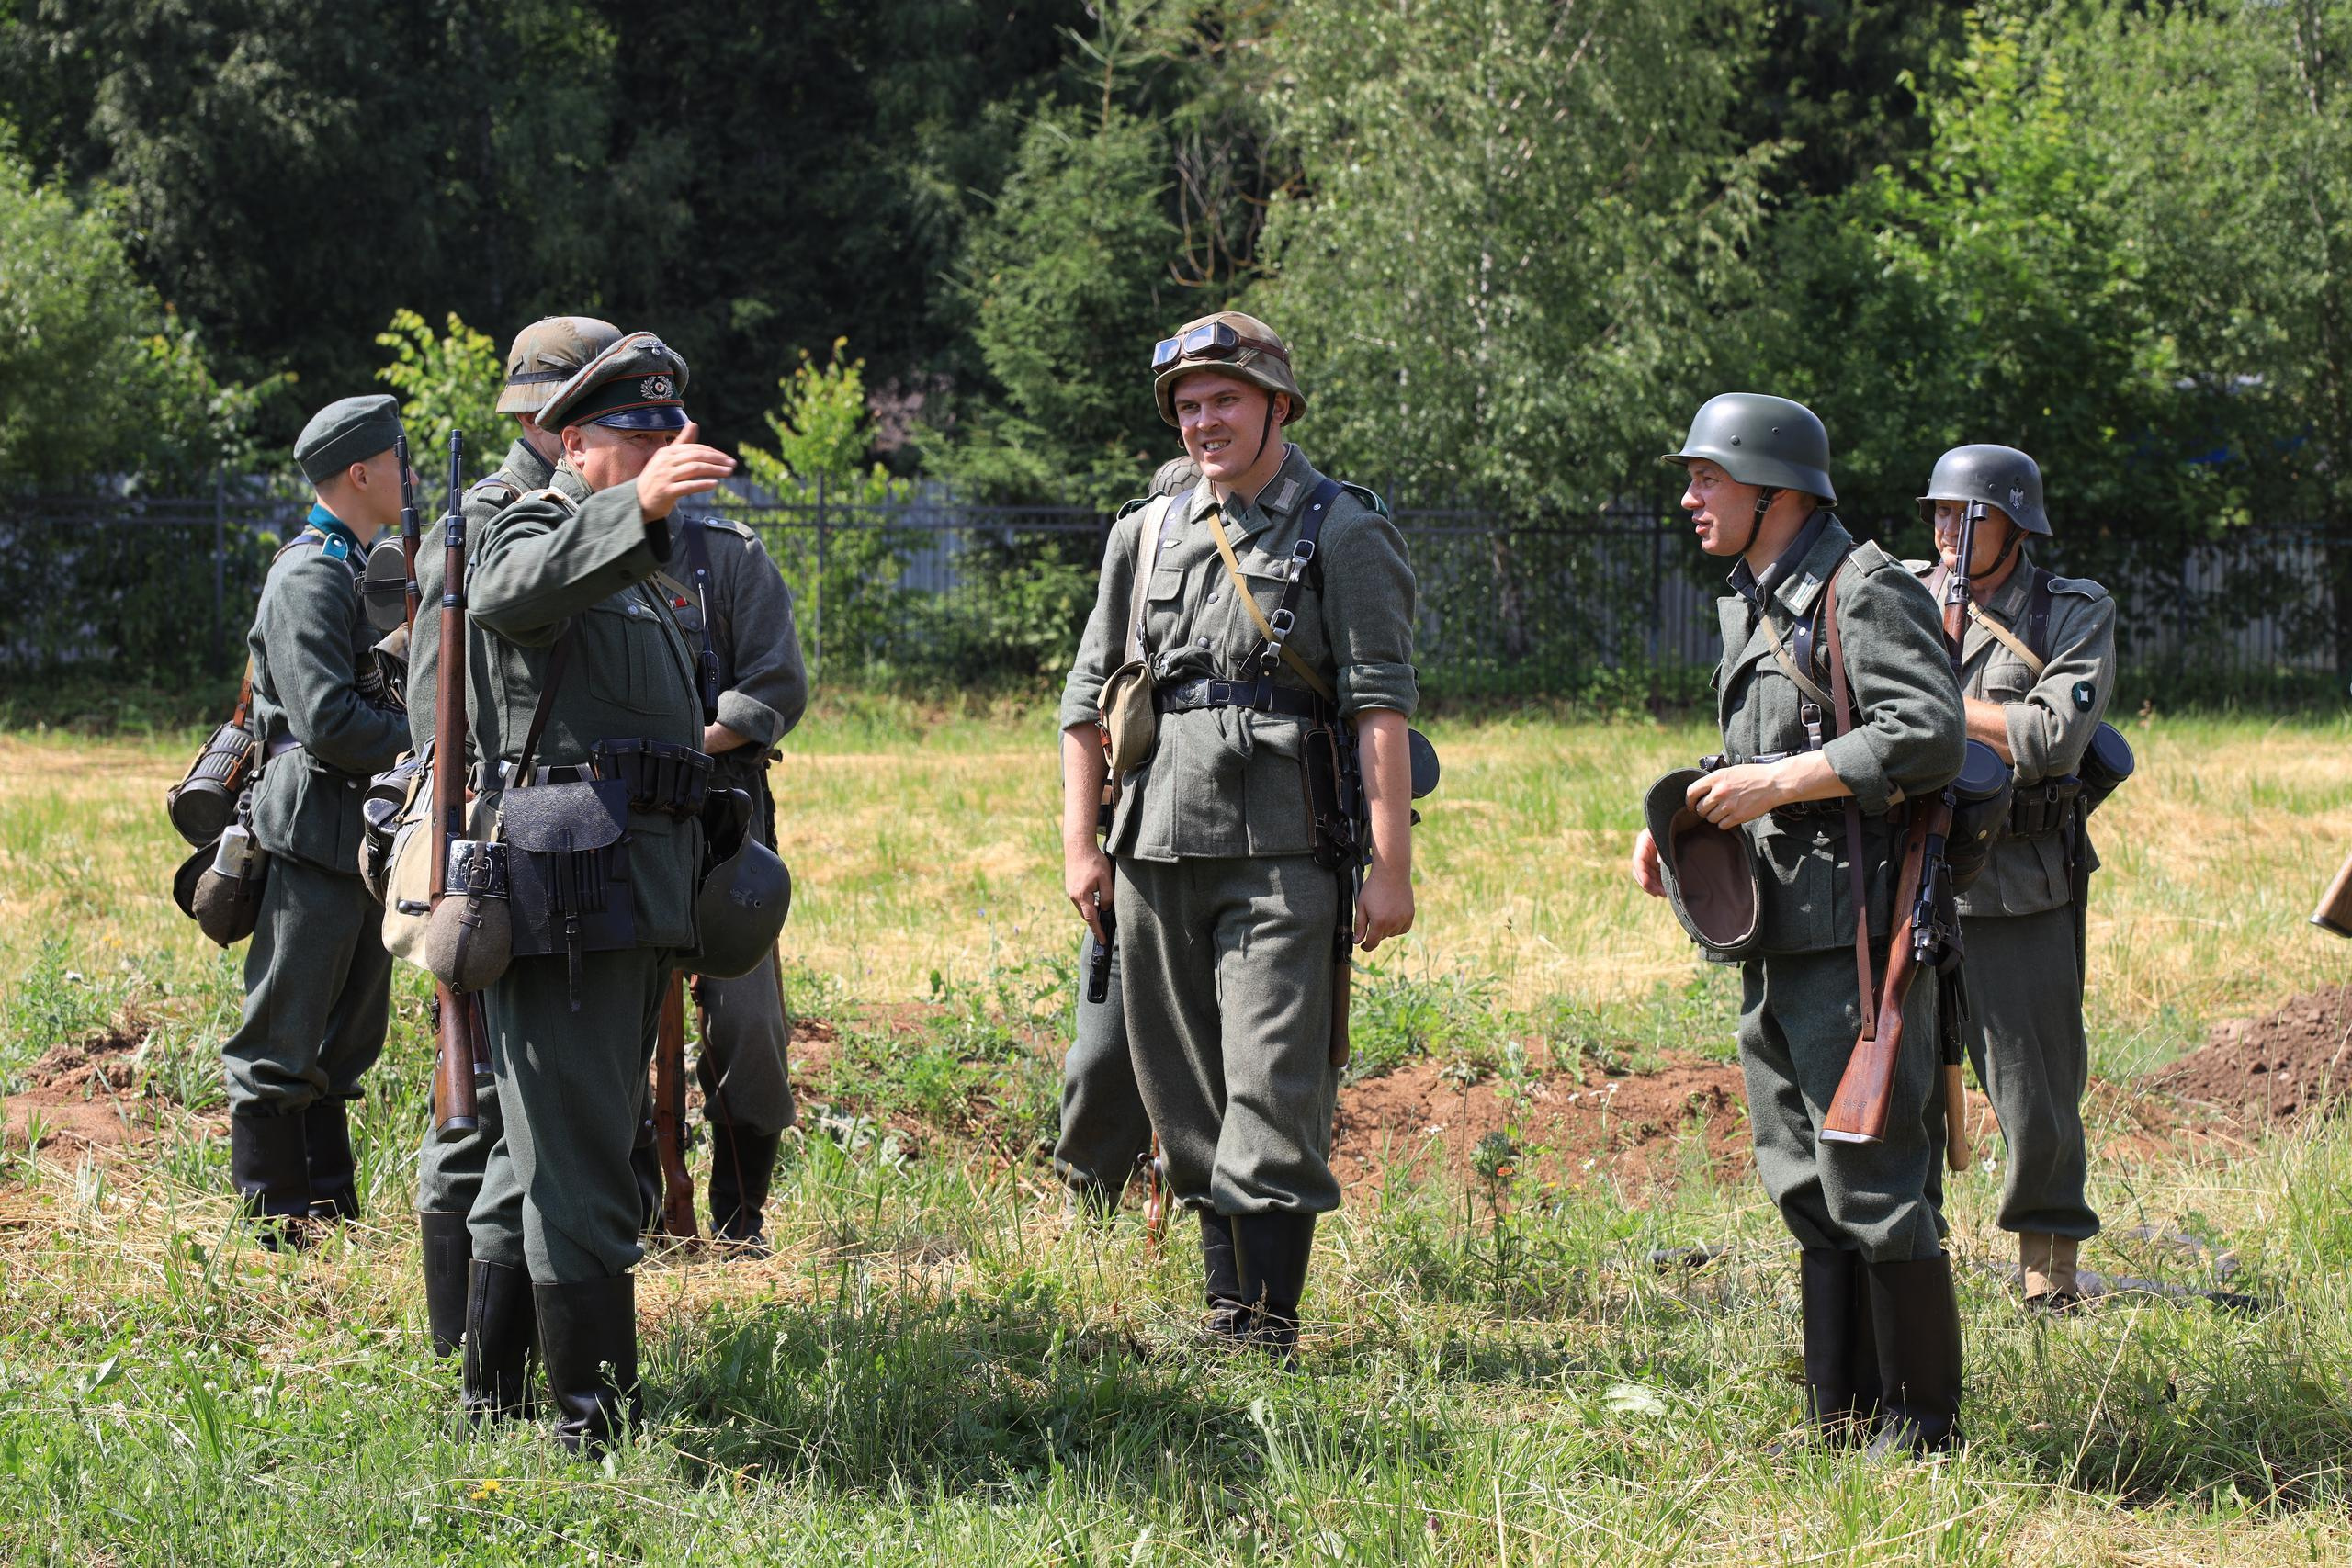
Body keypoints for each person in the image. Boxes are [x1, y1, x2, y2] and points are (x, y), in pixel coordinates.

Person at [1057, 313, 1419, 1354]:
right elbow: (1087, 698)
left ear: (1276, 406)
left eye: (1225, 399)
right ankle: (1227, 1311)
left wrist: (1390, 867)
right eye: (1188, 405)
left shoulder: (1342, 529)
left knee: (1271, 1079)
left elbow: (1380, 708)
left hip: (1283, 851)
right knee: (1182, 1088)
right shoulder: (1145, 532)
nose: (1204, 420)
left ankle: (1266, 1325)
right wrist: (1081, 844)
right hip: (1152, 844)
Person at [1631, 393, 1967, 1454]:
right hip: (1777, 929)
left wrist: (1778, 782)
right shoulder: (1757, 598)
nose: (1690, 500)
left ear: (1772, 491)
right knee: (1804, 1181)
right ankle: (1841, 1420)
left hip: (1859, 939)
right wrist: (1686, 818)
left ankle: (1921, 1427)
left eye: (1707, 479)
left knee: (1874, 1178)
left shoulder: (1861, 589)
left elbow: (1930, 734)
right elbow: (1773, 739)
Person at [456, 332, 733, 1451]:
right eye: (634, 431)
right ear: (572, 444)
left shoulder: (641, 563)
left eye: (670, 429)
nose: (661, 447)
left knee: (538, 1153)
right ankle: (591, 1428)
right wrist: (633, 510)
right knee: (583, 1167)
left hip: (632, 887)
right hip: (568, 889)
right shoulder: (527, 524)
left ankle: (493, 1403)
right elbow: (503, 593)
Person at [411, 316, 622, 1356]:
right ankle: (465, 1348)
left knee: (525, 1111)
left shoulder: (577, 515)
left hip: (564, 838)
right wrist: (444, 833)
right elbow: (435, 697)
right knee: (484, 1096)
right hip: (494, 838)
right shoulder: (493, 519)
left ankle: (497, 1364)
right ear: (556, 419)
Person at [1913, 444, 2116, 1309]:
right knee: (1899, 1077)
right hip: (1907, 868)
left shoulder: (2069, 610)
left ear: (2017, 526)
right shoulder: (1900, 597)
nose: (1950, 531)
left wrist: (1928, 712)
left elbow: (2049, 740)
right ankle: (1908, 1256)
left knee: (2037, 1090)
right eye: (1940, 511)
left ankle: (2048, 1270)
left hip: (2018, 876)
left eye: (1972, 516)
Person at [223, 395, 413, 1245]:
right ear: (360, 472)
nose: (410, 475)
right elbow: (329, 721)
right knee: (286, 1029)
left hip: (359, 834)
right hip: (312, 832)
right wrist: (430, 739)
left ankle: (329, 1214)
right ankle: (273, 1225)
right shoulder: (311, 574)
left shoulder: (360, 566)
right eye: (399, 461)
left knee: (346, 1038)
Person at [655, 491, 809, 1250]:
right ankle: (636, 1207)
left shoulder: (727, 554)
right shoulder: (572, 549)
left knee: (749, 1028)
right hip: (609, 827)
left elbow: (776, 685)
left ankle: (740, 1220)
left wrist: (688, 739)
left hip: (724, 822)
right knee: (614, 1033)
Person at [1050, 456, 1198, 1213]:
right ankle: (1088, 1211)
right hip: (1136, 846)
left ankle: (1215, 1221)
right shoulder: (1135, 573)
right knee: (1106, 1053)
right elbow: (1085, 701)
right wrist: (1082, 847)